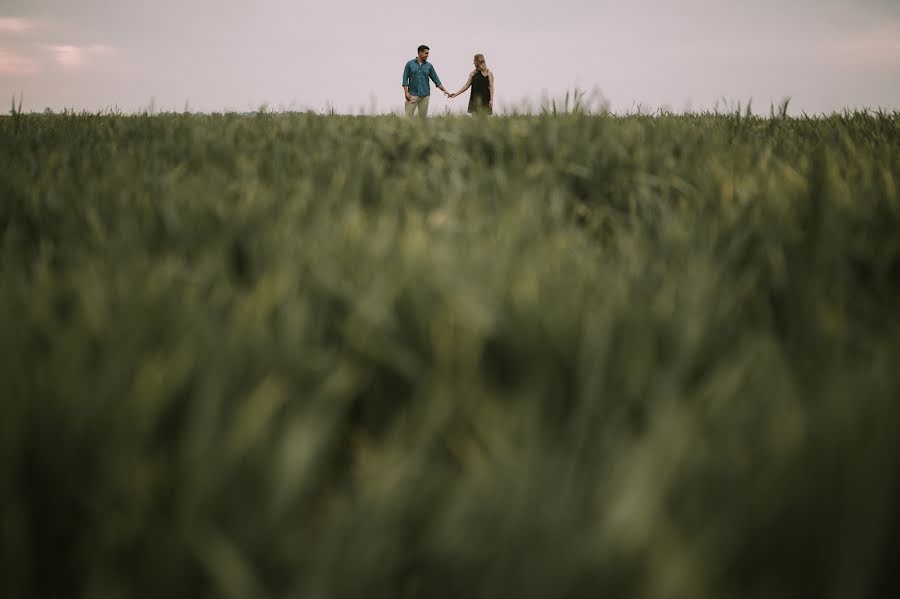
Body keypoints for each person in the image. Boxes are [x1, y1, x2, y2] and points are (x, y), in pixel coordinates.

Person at [402, 45, 450, 118]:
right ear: (420, 53)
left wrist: (444, 90)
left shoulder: (429, 66)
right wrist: (406, 92)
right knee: (408, 118)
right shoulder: (409, 64)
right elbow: (405, 79)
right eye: (426, 53)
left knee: (422, 119)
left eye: (428, 53)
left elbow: (436, 79)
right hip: (412, 95)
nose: (427, 55)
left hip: (425, 95)